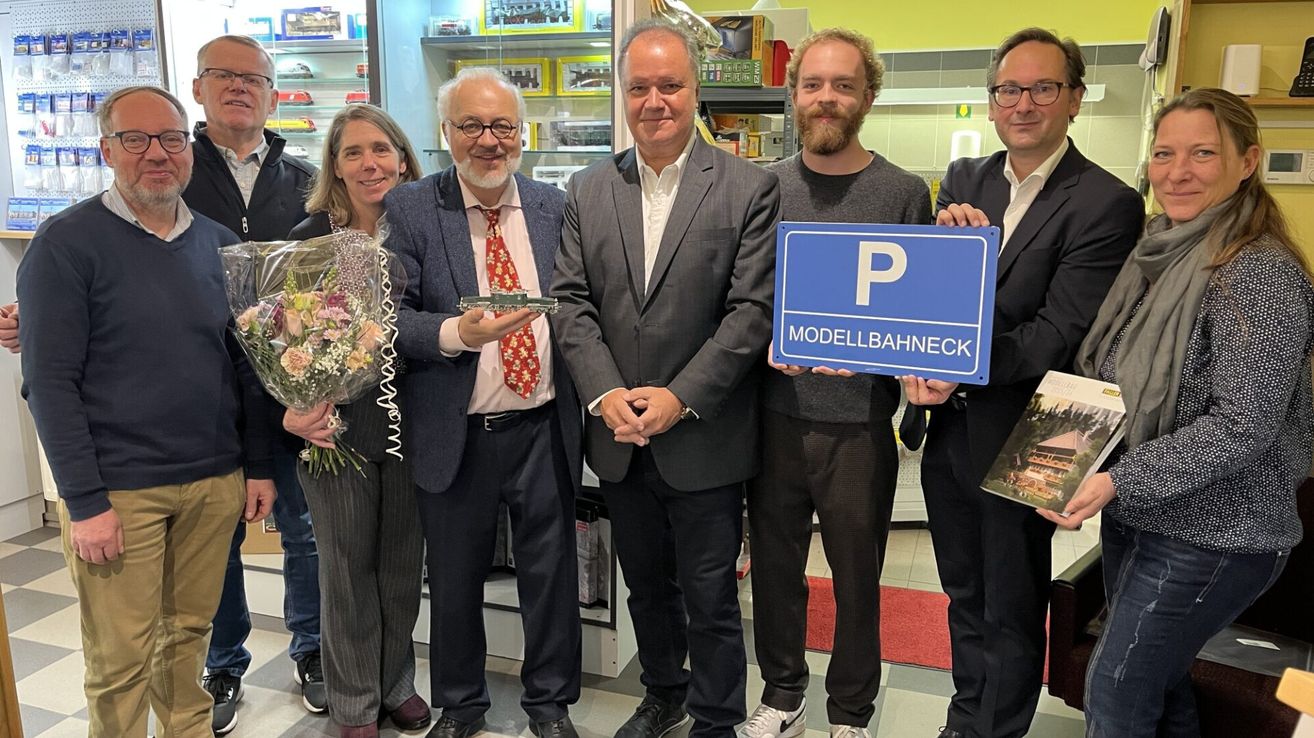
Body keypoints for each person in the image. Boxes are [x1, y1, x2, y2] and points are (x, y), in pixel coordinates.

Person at [898, 27, 1144, 738]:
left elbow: (1057, 332)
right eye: (1010, 89)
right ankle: (963, 719)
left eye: (1044, 88)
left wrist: (952, 365)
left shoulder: (1106, 202)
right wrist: (944, 249)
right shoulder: (966, 178)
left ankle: (996, 729)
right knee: (962, 591)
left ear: (1074, 98)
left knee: (1011, 598)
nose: (1025, 103)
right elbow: (940, 300)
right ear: (992, 100)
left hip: (1042, 428)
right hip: (953, 426)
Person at [1052, 87, 1313, 738]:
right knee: (1157, 684)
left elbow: (1241, 427)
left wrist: (1113, 479)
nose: (1178, 171)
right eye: (1165, 153)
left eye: (1202, 153)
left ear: (1248, 160)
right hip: (1139, 519)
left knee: (1115, 689)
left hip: (1219, 534)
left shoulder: (1259, 273)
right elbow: (1107, 372)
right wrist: (1054, 460)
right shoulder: (1158, 251)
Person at [16, 85, 275, 738]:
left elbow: (245, 364)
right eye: (136, 139)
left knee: (187, 638)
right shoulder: (66, 244)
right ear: (107, 149)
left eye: (171, 139)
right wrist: (85, 500)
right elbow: (48, 382)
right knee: (121, 656)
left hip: (213, 481)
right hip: (120, 491)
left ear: (189, 150)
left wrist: (259, 467)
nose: (156, 153)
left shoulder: (218, 244)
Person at [550, 19, 780, 738]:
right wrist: (607, 393)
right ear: (623, 94)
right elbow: (570, 301)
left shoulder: (749, 188)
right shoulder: (587, 188)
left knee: (710, 595)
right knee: (645, 587)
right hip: (617, 433)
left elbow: (751, 311)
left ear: (696, 89)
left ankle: (714, 717)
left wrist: (680, 397)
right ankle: (665, 693)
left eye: (670, 85)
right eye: (640, 87)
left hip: (704, 437)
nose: (655, 101)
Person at [741, 28, 930, 738]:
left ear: (867, 97)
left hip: (858, 425)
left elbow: (918, 320)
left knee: (857, 579)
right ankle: (783, 694)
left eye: (842, 85)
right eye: (813, 84)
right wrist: (763, 346)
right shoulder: (763, 187)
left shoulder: (904, 192)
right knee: (776, 572)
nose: (826, 98)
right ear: (795, 96)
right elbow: (743, 296)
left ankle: (851, 712)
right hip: (772, 416)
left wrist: (882, 356)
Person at [384, 67, 583, 738]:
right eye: (471, 125)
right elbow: (389, 319)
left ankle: (550, 705)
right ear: (446, 133)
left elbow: (582, 308)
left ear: (521, 132)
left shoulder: (555, 205)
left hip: (543, 426)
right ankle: (461, 705)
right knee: (456, 578)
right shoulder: (413, 207)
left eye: (502, 125)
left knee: (550, 575)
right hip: (457, 431)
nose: (488, 141)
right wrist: (451, 333)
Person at [186, 34, 324, 733]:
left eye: (254, 78)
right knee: (220, 534)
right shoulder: (171, 165)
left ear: (273, 94)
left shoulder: (303, 176)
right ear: (198, 87)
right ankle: (223, 663)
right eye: (224, 76)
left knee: (304, 528)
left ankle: (312, 651)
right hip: (205, 383)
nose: (240, 88)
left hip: (292, 383)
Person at [280, 104, 430, 738]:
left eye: (381, 149)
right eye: (353, 153)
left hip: (415, 426)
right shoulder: (309, 240)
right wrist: (291, 407)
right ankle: (352, 703)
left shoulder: (425, 229)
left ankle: (395, 683)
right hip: (334, 432)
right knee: (345, 571)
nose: (370, 163)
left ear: (402, 156)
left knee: (400, 568)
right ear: (335, 168)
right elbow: (277, 336)